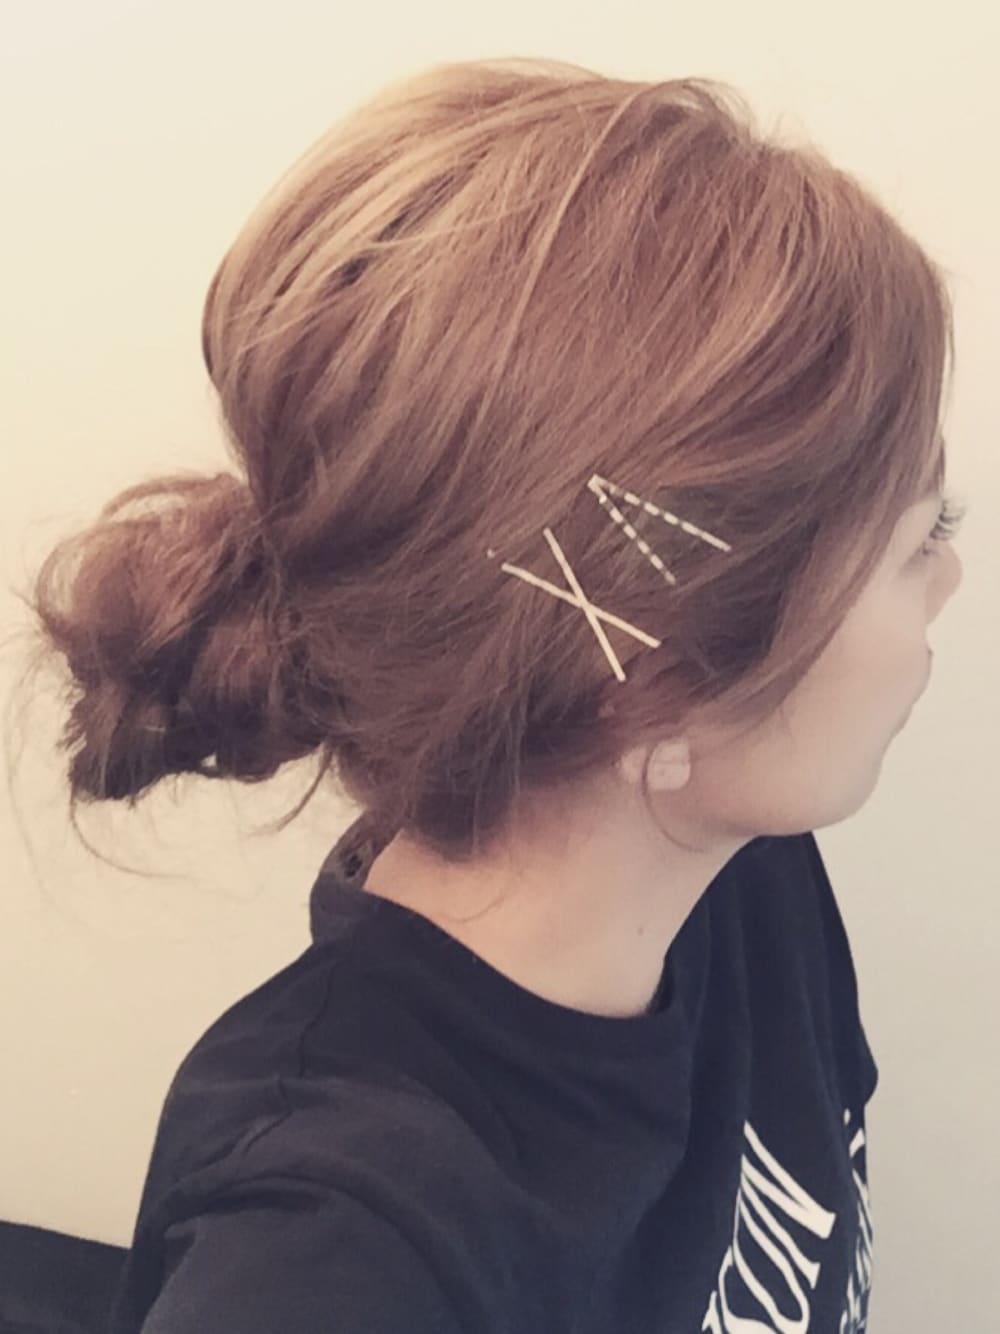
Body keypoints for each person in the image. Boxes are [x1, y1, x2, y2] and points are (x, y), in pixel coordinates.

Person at [17, 54, 965, 1333]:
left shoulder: (741, 879)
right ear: (663, 681)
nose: (949, 581)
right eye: (921, 535)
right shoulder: (335, 1250)